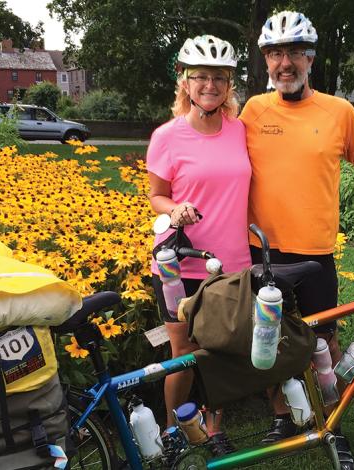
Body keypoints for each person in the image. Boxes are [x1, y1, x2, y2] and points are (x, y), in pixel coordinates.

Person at [240, 10, 354, 470]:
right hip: (265, 251)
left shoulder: (339, 112)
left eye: (294, 52)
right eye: (276, 53)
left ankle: (331, 418)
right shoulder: (253, 111)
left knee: (325, 340)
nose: (285, 63)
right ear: (266, 60)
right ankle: (283, 415)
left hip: (318, 250)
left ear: (310, 59)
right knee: (270, 339)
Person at [146, 34, 250, 456]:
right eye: (201, 77)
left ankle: (214, 426)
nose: (210, 85)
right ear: (184, 81)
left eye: (220, 78)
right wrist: (174, 210)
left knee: (221, 348)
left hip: (230, 262)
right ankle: (174, 432)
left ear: (229, 85)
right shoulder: (167, 136)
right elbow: (156, 195)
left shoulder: (240, 130)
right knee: (182, 353)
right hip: (179, 264)